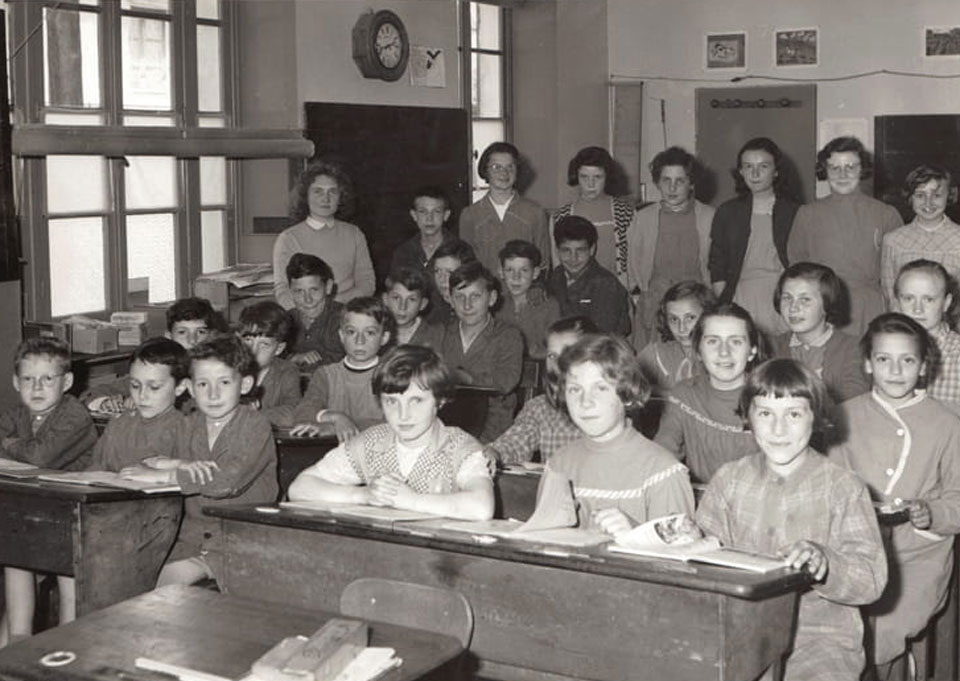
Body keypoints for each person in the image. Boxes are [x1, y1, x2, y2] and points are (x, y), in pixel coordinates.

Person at [696, 358, 887, 681]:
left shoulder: (842, 487)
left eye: (794, 414)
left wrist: (825, 563)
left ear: (816, 418)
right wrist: (691, 540)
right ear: (748, 416)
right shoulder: (729, 479)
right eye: (765, 413)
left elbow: (870, 580)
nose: (778, 429)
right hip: (739, 635)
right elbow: (701, 561)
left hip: (819, 639)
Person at [830, 313, 960, 673]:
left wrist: (932, 512)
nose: (896, 370)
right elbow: (827, 485)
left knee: (879, 632)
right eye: (884, 359)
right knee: (826, 626)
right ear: (869, 365)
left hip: (916, 556)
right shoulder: (842, 417)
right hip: (851, 552)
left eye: (908, 360)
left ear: (923, 367)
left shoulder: (948, 424)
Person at [122, 335, 278, 587]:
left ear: (246, 384)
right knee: (131, 571)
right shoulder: (187, 423)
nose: (213, 394)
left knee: (169, 583)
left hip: (242, 539)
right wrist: (176, 464)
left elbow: (224, 483)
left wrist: (169, 474)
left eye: (224, 382)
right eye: (203, 384)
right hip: (190, 539)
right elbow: (147, 461)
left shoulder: (255, 426)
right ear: (191, 388)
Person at [288, 345, 494, 521]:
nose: (403, 415)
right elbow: (299, 488)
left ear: (439, 401)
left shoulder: (461, 446)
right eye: (391, 402)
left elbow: (482, 507)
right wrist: (363, 495)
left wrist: (410, 500)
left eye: (416, 401)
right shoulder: (371, 441)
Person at [531, 334, 694, 535]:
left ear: (627, 395)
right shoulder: (558, 465)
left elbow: (680, 555)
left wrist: (635, 533)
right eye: (574, 389)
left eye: (600, 388)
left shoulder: (662, 471)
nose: (585, 401)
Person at [1, 338, 97, 645]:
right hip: (31, 512)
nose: (37, 388)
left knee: (70, 583)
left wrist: (11, 445)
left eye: (47, 379)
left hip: (74, 515)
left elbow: (40, 456)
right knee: (14, 555)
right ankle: (18, 638)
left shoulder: (74, 415)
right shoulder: (16, 415)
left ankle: (65, 645)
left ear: (66, 381)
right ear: (16, 382)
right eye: (28, 379)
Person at [788, 136, 903, 336]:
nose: (842, 174)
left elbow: (898, 270)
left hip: (871, 308)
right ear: (824, 170)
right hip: (824, 307)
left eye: (850, 167)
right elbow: (798, 265)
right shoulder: (807, 214)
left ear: (862, 169)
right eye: (834, 167)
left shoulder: (886, 213)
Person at [654, 303, 763, 483]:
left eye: (735, 341)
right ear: (698, 351)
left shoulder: (770, 400)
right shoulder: (685, 395)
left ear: (752, 351)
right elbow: (662, 455)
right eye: (713, 341)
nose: (724, 352)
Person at [708, 137, 800, 336]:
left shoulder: (794, 212)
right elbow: (717, 263)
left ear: (776, 171)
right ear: (740, 171)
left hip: (782, 297)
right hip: (740, 296)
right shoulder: (727, 212)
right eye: (748, 167)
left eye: (763, 166)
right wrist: (725, 299)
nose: (755, 173)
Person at [627, 146, 715, 347]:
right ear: (657, 182)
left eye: (680, 181)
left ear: (691, 183)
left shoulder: (710, 217)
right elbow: (633, 265)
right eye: (666, 180)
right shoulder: (643, 218)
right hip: (654, 306)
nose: (672, 188)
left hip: (696, 305)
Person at [82, 296, 226, 413]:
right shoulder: (159, 368)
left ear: (212, 336)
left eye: (200, 332)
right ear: (169, 337)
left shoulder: (222, 372)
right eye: (182, 332)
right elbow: (90, 395)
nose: (192, 340)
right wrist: (106, 402)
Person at [485, 316, 598, 465]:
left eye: (569, 354)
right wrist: (495, 453)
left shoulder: (605, 405)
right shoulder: (539, 408)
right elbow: (515, 442)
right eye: (552, 355)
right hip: (555, 487)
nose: (557, 363)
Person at [439, 262, 524, 442]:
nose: (467, 305)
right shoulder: (442, 333)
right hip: (444, 423)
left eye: (475, 296)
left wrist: (467, 378)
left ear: (492, 298)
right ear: (450, 300)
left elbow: (506, 381)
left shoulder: (508, 335)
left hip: (493, 426)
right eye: (460, 297)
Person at [272, 159, 375, 307]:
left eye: (332, 191)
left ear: (341, 197)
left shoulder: (354, 234)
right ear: (305, 196)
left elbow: (367, 283)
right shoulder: (288, 238)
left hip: (347, 313)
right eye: (317, 191)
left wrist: (330, 306)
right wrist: (310, 313)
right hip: (305, 316)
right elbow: (283, 291)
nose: (326, 198)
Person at [292, 297, 393, 441]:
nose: (360, 341)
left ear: (384, 337)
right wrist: (337, 418)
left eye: (370, 333)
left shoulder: (392, 374)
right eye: (351, 332)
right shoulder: (325, 374)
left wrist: (336, 426)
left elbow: (393, 424)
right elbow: (303, 412)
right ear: (341, 336)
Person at [769, 262, 869, 404]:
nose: (793, 307)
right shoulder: (771, 347)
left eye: (805, 300)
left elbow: (853, 404)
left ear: (827, 304)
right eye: (787, 298)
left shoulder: (853, 348)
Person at [88, 338, 189, 473]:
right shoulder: (119, 423)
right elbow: (96, 468)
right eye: (135, 385)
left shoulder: (184, 432)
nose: (142, 395)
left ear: (180, 387)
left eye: (154, 387)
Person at [457, 142, 550, 273]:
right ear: (485, 170)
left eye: (510, 167)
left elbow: (543, 264)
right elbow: (466, 265)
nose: (504, 173)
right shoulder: (470, 215)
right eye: (496, 167)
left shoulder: (535, 213)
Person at [553, 146, 635, 283]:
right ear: (576, 176)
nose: (590, 184)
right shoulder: (561, 216)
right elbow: (558, 264)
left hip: (615, 287)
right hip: (575, 290)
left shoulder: (626, 213)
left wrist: (624, 288)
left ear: (607, 177)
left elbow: (634, 260)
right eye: (584, 177)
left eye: (597, 177)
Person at [881, 164, 960, 306]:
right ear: (910, 198)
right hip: (907, 325)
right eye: (920, 195)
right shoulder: (893, 241)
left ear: (949, 195)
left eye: (936, 195)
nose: (928, 202)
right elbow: (890, 296)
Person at [893, 259, 960, 414]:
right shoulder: (885, 352)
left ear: (946, 303)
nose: (917, 309)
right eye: (908, 298)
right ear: (896, 303)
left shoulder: (957, 355)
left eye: (928, 299)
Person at [546, 215, 631, 336]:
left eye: (580, 250)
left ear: (592, 249)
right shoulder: (556, 276)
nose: (573, 258)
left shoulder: (605, 284)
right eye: (566, 250)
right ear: (557, 250)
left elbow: (600, 335)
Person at [637, 280, 715, 393]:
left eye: (690, 318)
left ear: (708, 316)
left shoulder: (720, 356)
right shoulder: (655, 354)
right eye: (674, 319)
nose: (681, 328)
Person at [238, 301, 301, 429]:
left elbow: (294, 411)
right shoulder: (228, 370)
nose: (253, 351)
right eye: (248, 341)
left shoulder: (287, 371)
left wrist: (255, 416)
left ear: (279, 349)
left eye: (264, 344)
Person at [496, 239, 560, 359]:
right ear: (501, 272)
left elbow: (557, 351)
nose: (516, 277)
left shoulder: (549, 306)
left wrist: (534, 352)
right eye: (510, 270)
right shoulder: (496, 306)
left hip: (539, 372)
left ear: (535, 273)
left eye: (524, 270)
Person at [284, 253, 345, 368]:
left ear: (328, 287)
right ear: (290, 292)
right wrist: (294, 358)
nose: (308, 300)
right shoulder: (285, 320)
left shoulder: (345, 319)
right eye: (299, 291)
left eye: (314, 290)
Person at [391, 186, 456, 277]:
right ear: (414, 215)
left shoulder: (460, 251)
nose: (429, 219)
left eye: (436, 211)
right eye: (423, 212)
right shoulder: (404, 253)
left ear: (446, 215)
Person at [382, 267, 443, 348]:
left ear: (423, 304)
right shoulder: (376, 333)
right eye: (396, 298)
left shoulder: (436, 335)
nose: (402, 307)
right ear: (385, 299)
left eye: (411, 299)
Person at [424, 238, 477, 326]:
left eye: (449, 272)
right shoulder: (428, 308)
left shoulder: (477, 308)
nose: (441, 279)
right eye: (437, 271)